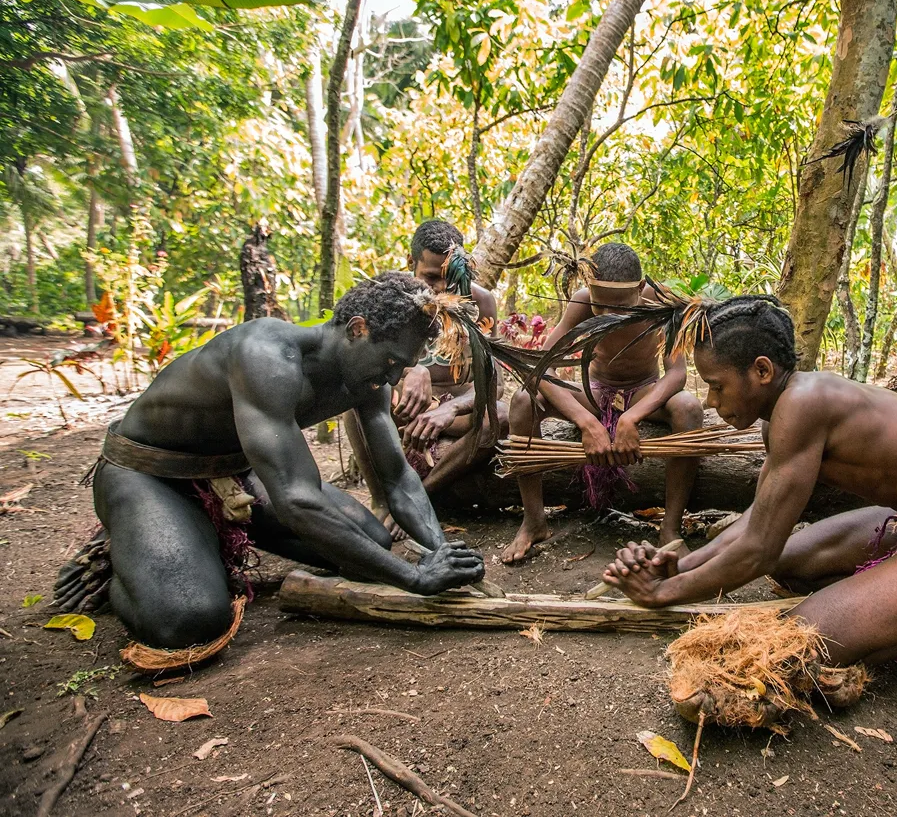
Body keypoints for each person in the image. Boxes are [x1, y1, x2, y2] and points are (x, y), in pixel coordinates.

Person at [599, 295, 897, 675]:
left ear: (761, 370)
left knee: (801, 640)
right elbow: (759, 522)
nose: (711, 402)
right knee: (789, 566)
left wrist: (662, 594)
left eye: (717, 387)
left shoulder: (804, 404)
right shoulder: (782, 414)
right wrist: (682, 566)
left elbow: (757, 550)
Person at [58, 273, 485, 653]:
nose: (393, 378)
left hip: (232, 472)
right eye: (391, 362)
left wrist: (442, 552)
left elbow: (397, 478)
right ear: (358, 329)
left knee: (372, 542)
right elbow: (297, 500)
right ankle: (130, 548)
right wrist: (414, 580)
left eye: (402, 367)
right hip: (149, 474)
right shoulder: (266, 355)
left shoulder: (368, 379)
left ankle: (199, 533)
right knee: (190, 620)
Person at [502, 242, 704, 563]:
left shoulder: (662, 301)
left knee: (689, 407)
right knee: (524, 399)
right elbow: (541, 366)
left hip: (643, 392)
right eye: (601, 306)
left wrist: (631, 417)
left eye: (620, 307)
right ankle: (534, 520)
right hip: (594, 393)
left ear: (639, 288)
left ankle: (670, 529)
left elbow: (677, 373)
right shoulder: (582, 301)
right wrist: (586, 421)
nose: (608, 316)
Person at [345, 220, 508, 508]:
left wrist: (451, 408)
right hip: (405, 411)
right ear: (411, 262)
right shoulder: (388, 298)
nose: (441, 288)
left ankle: (419, 498)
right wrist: (412, 369)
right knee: (354, 403)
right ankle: (381, 501)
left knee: (503, 416)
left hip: (458, 419)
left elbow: (494, 383)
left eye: (450, 277)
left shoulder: (480, 301)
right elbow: (361, 367)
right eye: (431, 277)